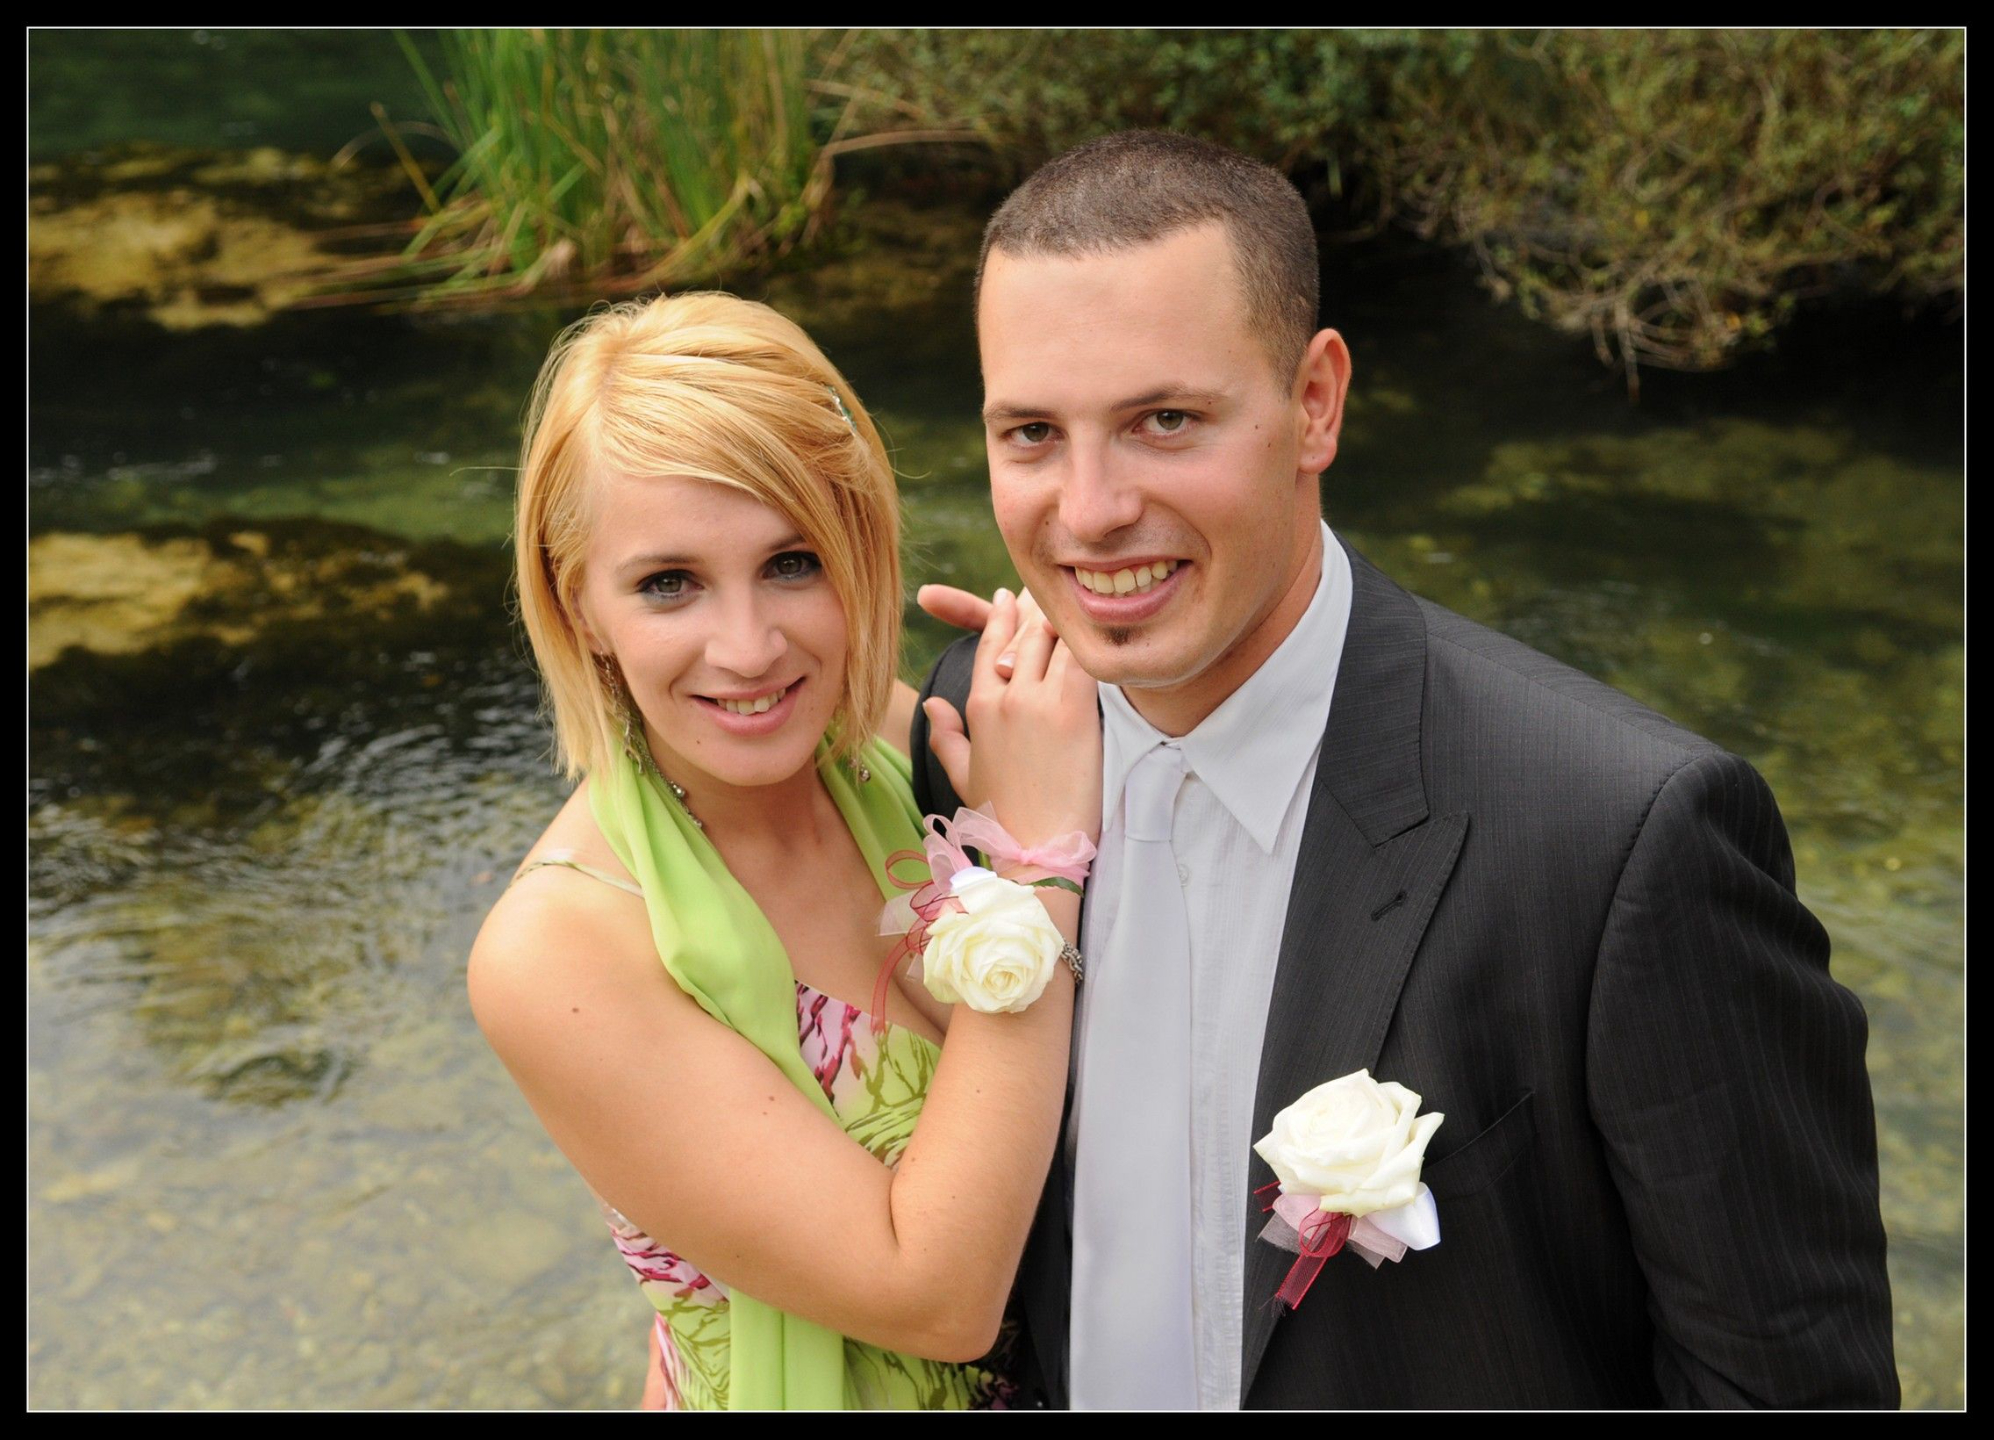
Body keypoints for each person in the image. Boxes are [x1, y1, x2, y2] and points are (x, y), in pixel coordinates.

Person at [910, 131, 1898, 1409]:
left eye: (1165, 421)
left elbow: (1784, 1384)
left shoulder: (1619, 838)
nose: (1089, 510)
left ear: (1315, 402)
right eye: (1032, 433)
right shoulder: (968, 734)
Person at [466, 293, 1101, 1409]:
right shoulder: (561, 950)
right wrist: (1037, 866)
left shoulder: (893, 743)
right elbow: (935, 1296)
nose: (749, 648)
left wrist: (1082, 670)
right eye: (668, 584)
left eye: (794, 562)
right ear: (582, 609)